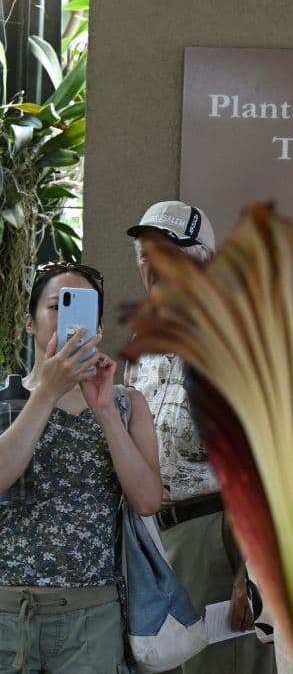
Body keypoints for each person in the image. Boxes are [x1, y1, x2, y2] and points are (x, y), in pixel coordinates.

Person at [124, 201, 276, 673]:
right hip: (151, 541)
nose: (156, 264)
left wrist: (253, 568)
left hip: (219, 536)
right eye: (147, 253)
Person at [0, 262, 162, 672]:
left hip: (93, 618)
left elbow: (147, 500)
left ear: (99, 330)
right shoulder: (5, 398)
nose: (67, 321)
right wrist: (48, 391)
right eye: (56, 307)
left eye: (81, 311)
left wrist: (105, 411)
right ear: (29, 323)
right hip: (5, 615)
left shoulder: (127, 403)